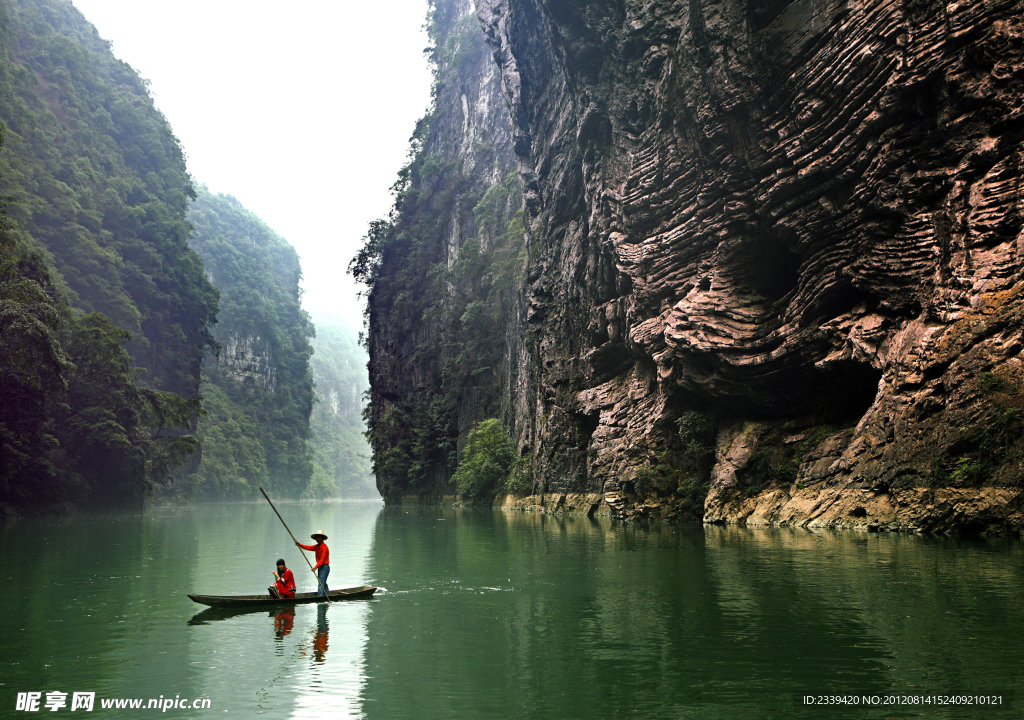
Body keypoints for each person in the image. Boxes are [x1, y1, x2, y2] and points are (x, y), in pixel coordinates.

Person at [296, 530, 330, 597]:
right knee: (323, 583)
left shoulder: (324, 547)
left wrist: (315, 567)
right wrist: (299, 544)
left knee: (321, 584)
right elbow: (309, 547)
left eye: (319, 538)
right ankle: (328, 595)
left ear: (322, 539)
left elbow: (322, 560)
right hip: (320, 567)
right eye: (317, 538)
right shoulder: (317, 546)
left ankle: (319, 598)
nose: (318, 539)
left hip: (325, 567)